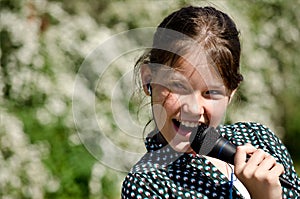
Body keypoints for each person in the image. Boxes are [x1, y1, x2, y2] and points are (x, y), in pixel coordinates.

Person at [121, 6, 300, 199]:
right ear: (149, 79)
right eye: (178, 86)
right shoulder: (147, 184)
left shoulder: (259, 138)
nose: (193, 108)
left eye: (210, 93)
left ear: (230, 94)